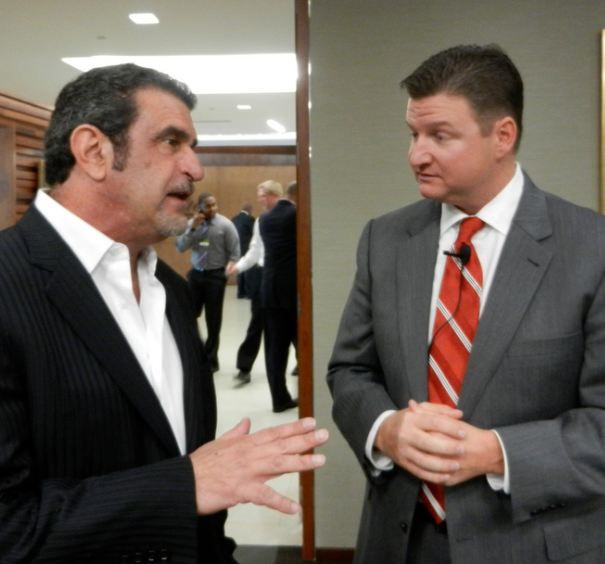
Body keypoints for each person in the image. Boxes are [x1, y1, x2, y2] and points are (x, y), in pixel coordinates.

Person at [0, 63, 329, 564]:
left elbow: (199, 499)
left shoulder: (171, 292)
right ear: (93, 151)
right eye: (171, 142)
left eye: (192, 146)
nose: (195, 168)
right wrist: (185, 485)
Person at [327, 43, 605, 563]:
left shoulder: (593, 247)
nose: (416, 155)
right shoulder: (384, 240)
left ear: (503, 135)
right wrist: (386, 429)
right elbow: (350, 371)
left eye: (439, 136)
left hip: (529, 544)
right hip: (399, 542)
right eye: (413, 135)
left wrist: (498, 453)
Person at [176, 192, 240, 373]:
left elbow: (235, 252)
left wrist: (228, 270)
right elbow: (180, 246)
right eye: (208, 205)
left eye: (214, 205)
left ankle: (212, 359)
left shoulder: (226, 225)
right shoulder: (192, 224)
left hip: (215, 276)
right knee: (189, 315)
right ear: (200, 207)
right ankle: (195, 351)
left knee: (213, 319)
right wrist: (192, 229)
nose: (213, 208)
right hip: (196, 275)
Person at [227, 180, 282, 387]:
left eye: (263, 196)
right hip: (263, 276)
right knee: (256, 324)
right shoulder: (261, 221)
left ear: (274, 195)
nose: (260, 200)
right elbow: (255, 250)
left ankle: (301, 363)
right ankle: (244, 368)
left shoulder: (291, 217)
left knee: (288, 325)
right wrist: (239, 267)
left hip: (283, 278)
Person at [260, 181, 298, 412]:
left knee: (275, 347)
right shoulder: (295, 215)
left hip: (269, 288)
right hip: (292, 290)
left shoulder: (264, 218)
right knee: (303, 342)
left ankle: (279, 398)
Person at [231, 203, 255, 298]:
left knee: (240, 270)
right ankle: (248, 293)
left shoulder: (234, 219)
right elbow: (254, 233)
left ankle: (240, 293)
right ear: (250, 210)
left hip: (236, 248)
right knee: (248, 270)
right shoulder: (250, 219)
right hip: (247, 247)